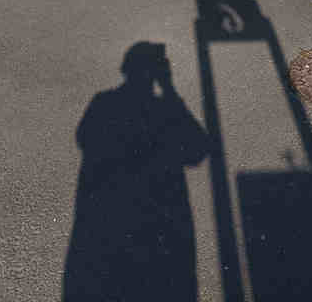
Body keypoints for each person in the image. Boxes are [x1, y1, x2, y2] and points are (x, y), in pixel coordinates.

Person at [63, 42, 209, 302]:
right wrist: (170, 89)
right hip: (158, 216)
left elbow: (84, 138)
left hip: (105, 217)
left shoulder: (103, 102)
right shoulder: (165, 107)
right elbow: (197, 149)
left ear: (125, 68)